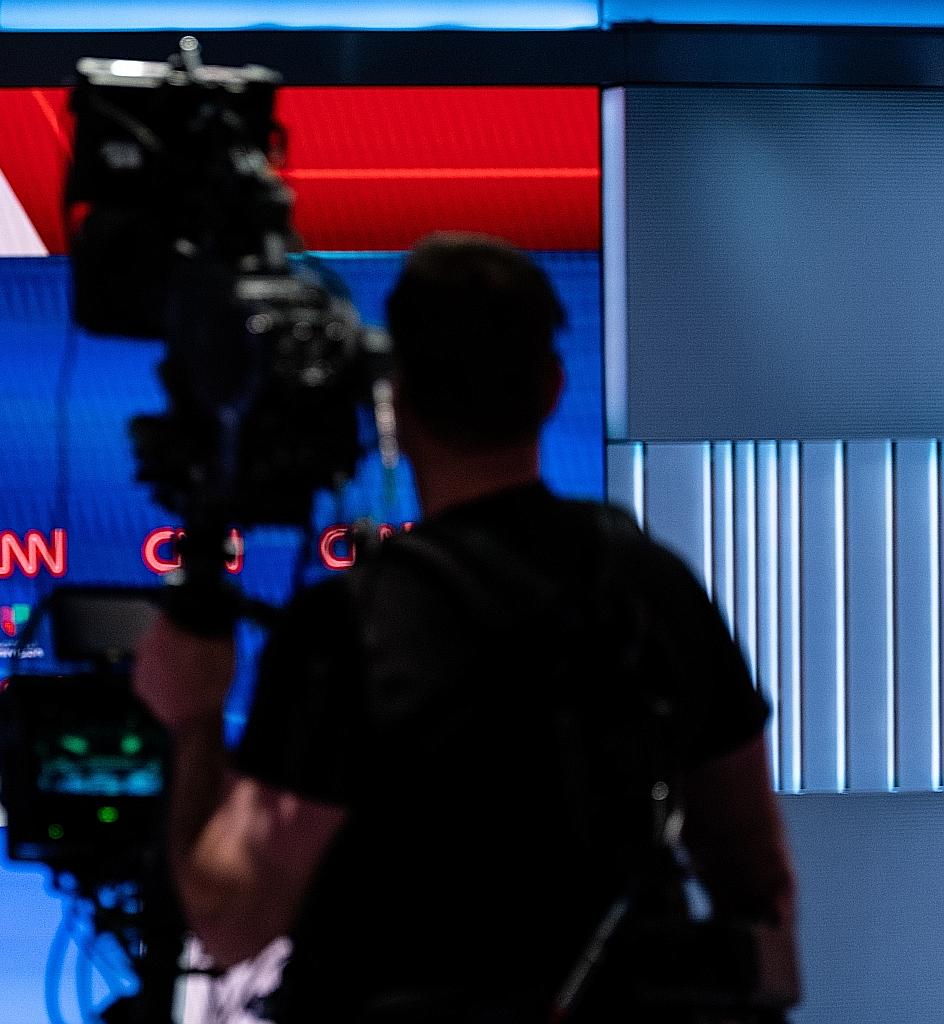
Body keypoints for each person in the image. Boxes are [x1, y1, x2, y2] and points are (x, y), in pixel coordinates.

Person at [133, 233, 799, 1022]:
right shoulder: (652, 585)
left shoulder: (350, 626)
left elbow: (232, 918)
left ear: (397, 397)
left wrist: (194, 720)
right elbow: (759, 900)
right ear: (552, 389)